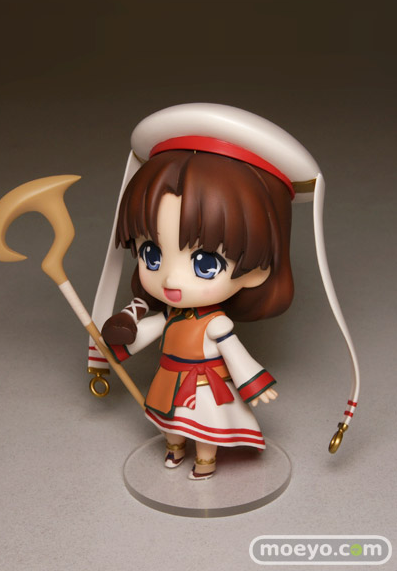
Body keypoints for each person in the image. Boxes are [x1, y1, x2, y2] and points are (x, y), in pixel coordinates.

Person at [89, 104, 360, 476]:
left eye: (204, 263)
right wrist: (118, 342)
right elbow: (151, 329)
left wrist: (253, 384)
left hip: (203, 386)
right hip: (169, 380)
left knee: (206, 427)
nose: (170, 280)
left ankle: (205, 460)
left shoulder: (216, 324)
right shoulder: (172, 314)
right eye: (151, 254)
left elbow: (235, 354)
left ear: (256, 271)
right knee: (170, 423)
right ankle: (174, 449)